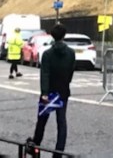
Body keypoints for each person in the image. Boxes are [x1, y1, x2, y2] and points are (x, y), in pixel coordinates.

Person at [30, 24, 76, 153]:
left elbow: (45, 74)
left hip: (49, 91)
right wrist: (66, 83)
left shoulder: (47, 54)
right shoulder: (71, 53)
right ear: (64, 36)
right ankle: (59, 151)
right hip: (63, 91)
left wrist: (44, 92)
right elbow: (71, 71)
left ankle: (36, 145)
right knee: (61, 122)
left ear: (52, 36)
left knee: (42, 120)